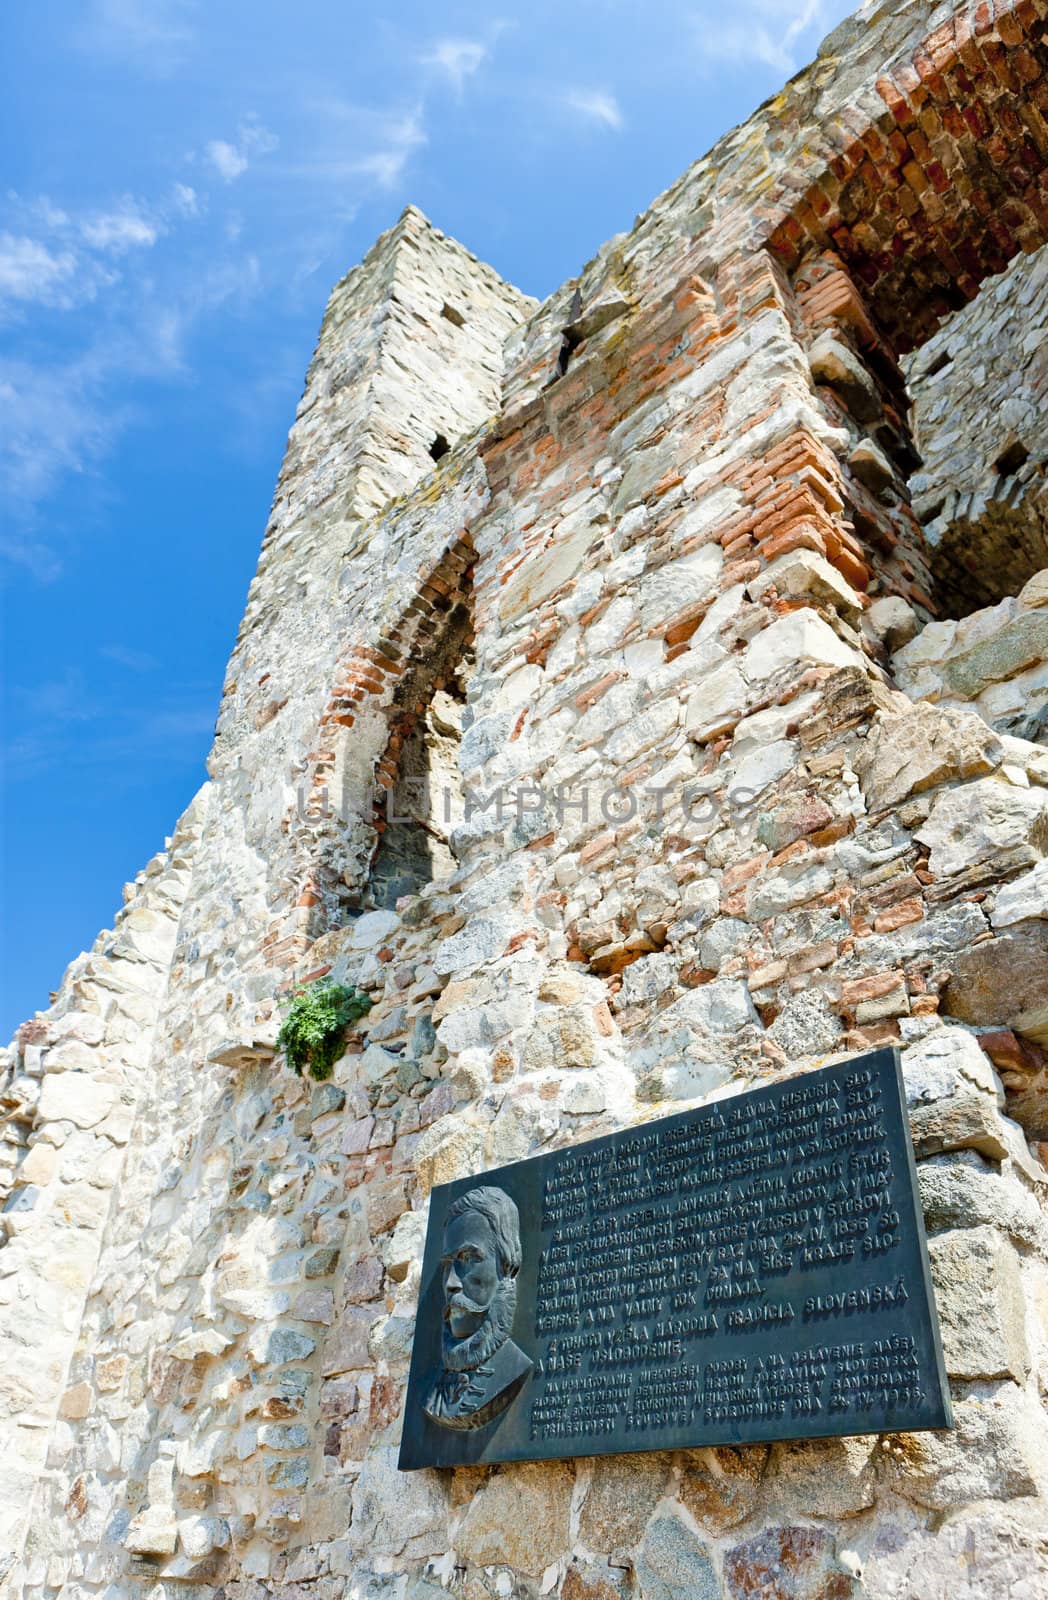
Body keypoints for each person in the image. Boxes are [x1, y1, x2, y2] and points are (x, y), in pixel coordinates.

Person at [421, 1184, 533, 1430]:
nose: (451, 1284)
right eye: (448, 1264)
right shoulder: (431, 1393)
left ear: (507, 1266)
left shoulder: (514, 1369)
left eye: (468, 1259)